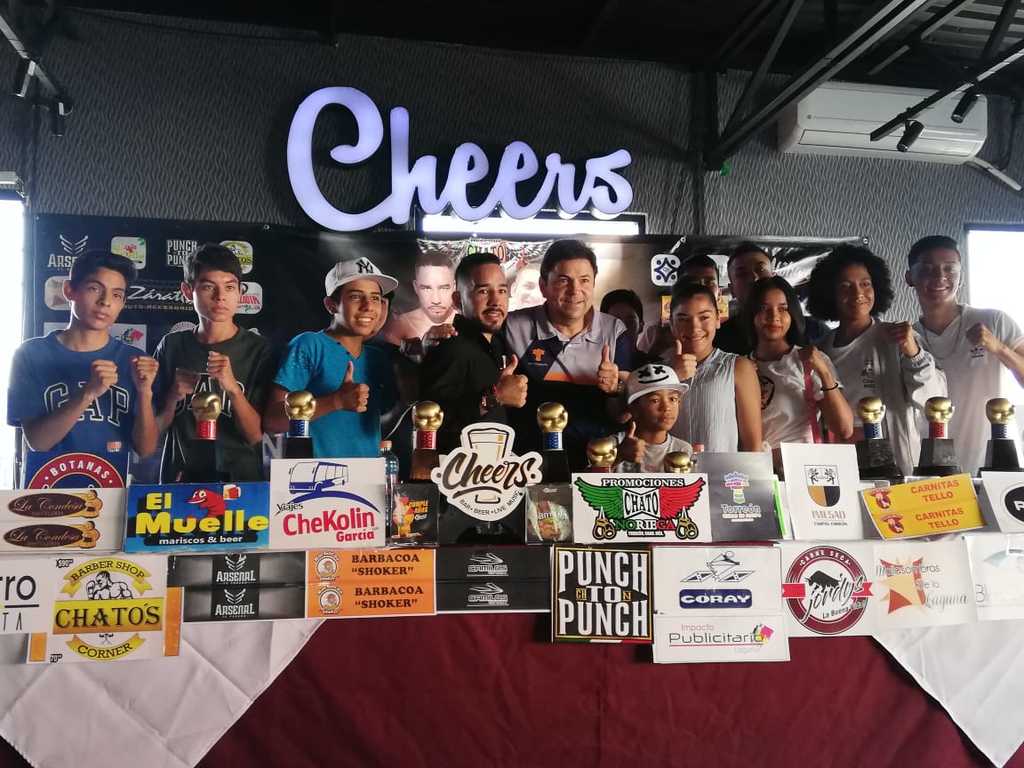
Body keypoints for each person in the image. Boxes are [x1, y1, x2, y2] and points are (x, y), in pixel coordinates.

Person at [809, 244, 945, 475]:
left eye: (865, 284)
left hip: (897, 465)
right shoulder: (820, 350)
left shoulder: (899, 337)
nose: (858, 294)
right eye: (846, 286)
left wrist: (913, 353)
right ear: (830, 293)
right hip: (841, 463)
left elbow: (933, 399)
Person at [7, 250, 159, 458]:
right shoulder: (31, 355)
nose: (105, 301)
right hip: (52, 477)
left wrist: (144, 392)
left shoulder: (134, 360)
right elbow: (38, 443)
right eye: (94, 288)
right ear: (69, 290)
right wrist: (88, 393)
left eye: (116, 295)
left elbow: (146, 449)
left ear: (122, 303)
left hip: (113, 478)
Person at [503, 239, 631, 469]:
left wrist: (616, 389)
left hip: (597, 466)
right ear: (543, 286)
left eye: (584, 280)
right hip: (529, 465)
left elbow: (623, 415)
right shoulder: (514, 326)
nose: (575, 290)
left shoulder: (615, 331)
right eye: (563, 280)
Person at [153, 244, 273, 482]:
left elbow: (255, 436)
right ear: (188, 291)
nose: (220, 297)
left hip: (241, 482)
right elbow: (151, 434)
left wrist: (233, 389)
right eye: (208, 286)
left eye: (229, 287)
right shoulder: (172, 346)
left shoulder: (258, 350)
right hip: (181, 480)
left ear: (240, 291)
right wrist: (172, 397)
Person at [908, 235, 1024, 474]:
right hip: (933, 469)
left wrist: (998, 348)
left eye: (949, 268)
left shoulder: (994, 320)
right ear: (910, 277)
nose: (940, 277)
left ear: (960, 276)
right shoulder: (909, 339)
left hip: (996, 463)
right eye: (927, 269)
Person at [265, 257, 400, 458]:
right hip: (316, 474)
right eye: (356, 297)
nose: (368, 306)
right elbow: (272, 421)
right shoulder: (310, 345)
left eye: (374, 298)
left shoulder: (377, 358)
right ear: (331, 305)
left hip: (369, 474)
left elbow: (383, 422)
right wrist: (336, 401)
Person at [419, 252, 528, 453]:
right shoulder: (450, 346)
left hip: (494, 467)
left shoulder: (497, 343)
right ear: (457, 300)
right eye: (483, 291)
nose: (496, 301)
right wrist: (495, 397)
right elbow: (430, 424)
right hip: (455, 470)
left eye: (502, 290)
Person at [745, 277, 853, 461]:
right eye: (764, 308)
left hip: (803, 467)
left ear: (793, 313)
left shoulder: (808, 361)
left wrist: (824, 372)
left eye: (783, 308)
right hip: (757, 469)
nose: (774, 316)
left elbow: (844, 428)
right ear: (752, 314)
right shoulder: (741, 367)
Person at [666, 282, 762, 452]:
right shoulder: (660, 372)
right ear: (671, 324)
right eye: (683, 319)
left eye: (704, 317)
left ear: (718, 319)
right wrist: (671, 378)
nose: (694, 327)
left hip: (723, 469)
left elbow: (753, 445)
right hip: (670, 469)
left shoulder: (738, 367)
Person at [614, 364, 693, 473]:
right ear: (634, 408)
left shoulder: (683, 449)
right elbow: (590, 479)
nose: (666, 407)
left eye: (673, 399)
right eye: (655, 400)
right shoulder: (614, 444)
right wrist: (618, 456)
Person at [638, 254, 720, 358]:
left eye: (709, 283)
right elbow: (640, 367)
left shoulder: (733, 330)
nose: (701, 288)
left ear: (719, 291)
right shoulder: (655, 334)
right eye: (693, 283)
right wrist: (656, 350)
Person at [381, 250, 456, 345]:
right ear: (416, 287)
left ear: (454, 287)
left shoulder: (468, 323)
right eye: (426, 288)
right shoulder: (400, 326)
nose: (436, 300)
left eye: (443, 288)